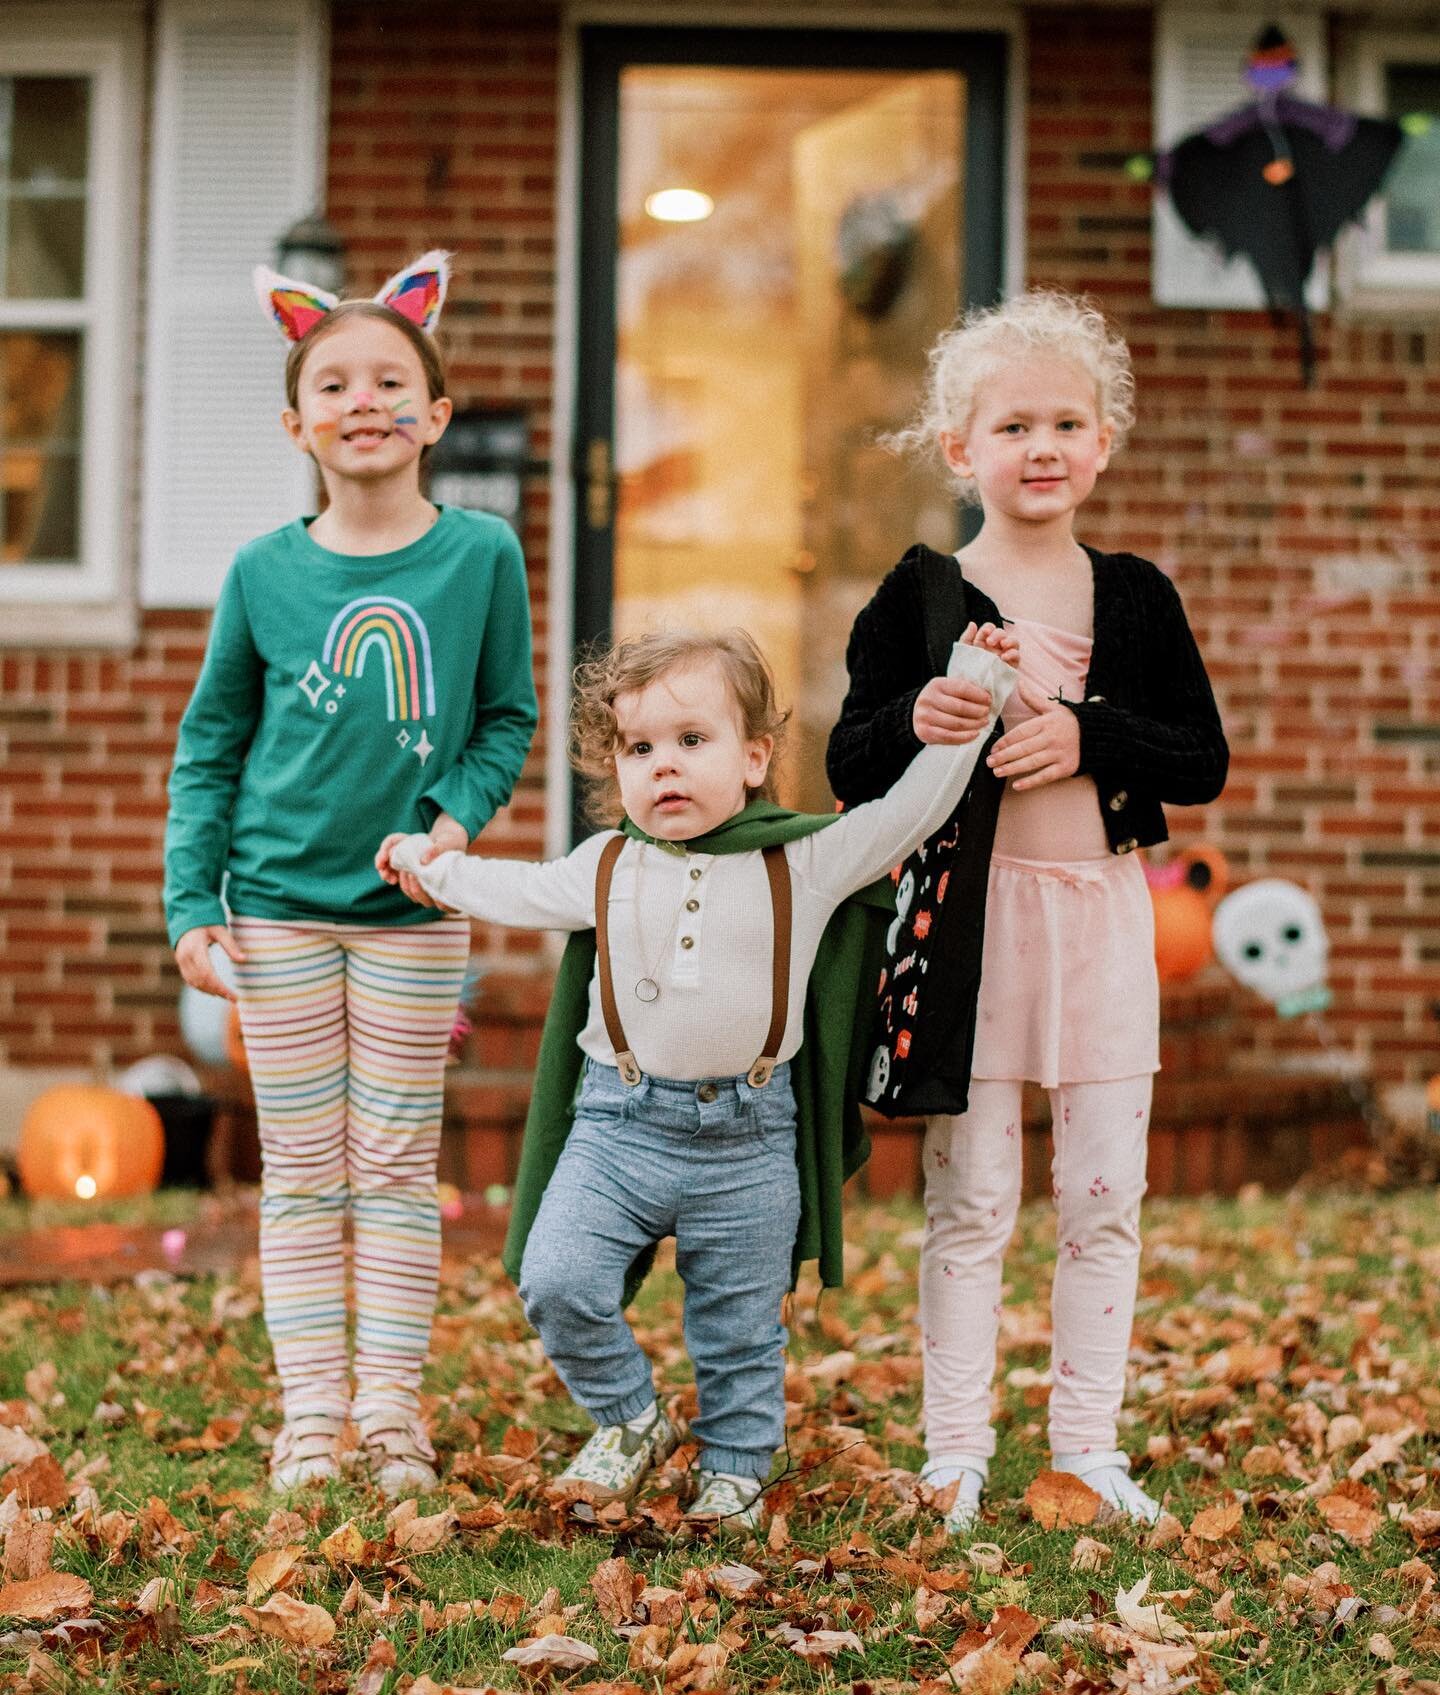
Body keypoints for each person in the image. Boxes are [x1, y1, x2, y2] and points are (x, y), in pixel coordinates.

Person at [379, 622, 1017, 1529]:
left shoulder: (802, 858)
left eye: (691, 741)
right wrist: (425, 865)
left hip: (748, 1141)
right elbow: (506, 890)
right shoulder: (605, 865)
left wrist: (979, 688)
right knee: (558, 1277)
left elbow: (908, 814)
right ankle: (631, 1417)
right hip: (617, 1124)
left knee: (740, 1327)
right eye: (639, 748)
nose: (663, 767)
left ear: (755, 757)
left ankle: (734, 1467)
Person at [827, 290, 1228, 1529]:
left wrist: (1086, 735)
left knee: (1106, 1194)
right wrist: (918, 721)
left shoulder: (1139, 596)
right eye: (1012, 426)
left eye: (1067, 422)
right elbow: (852, 758)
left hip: (1102, 921)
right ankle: (955, 1447)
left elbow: (1199, 757)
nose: (1041, 446)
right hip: (968, 930)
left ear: (1103, 443)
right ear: (963, 449)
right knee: (974, 1195)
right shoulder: (921, 594)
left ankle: (1089, 1444)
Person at [164, 253, 538, 1495]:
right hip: (273, 913)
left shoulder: (480, 554)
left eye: (393, 380)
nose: (365, 399)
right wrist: (191, 904)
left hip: (412, 918)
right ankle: (311, 1415)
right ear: (297, 421)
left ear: (436, 413)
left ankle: (390, 1414)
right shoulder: (264, 572)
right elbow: (211, 745)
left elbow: (504, 717)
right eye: (336, 382)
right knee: (305, 1170)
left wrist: (451, 824)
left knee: (389, 1168)